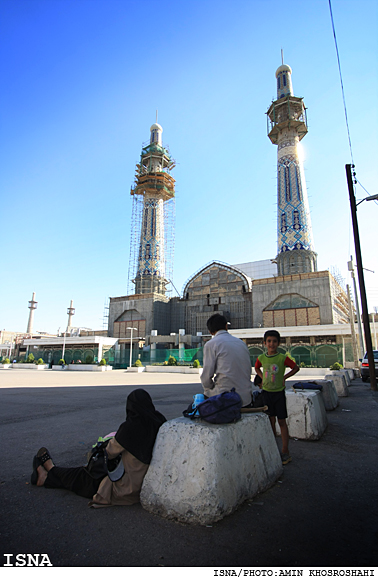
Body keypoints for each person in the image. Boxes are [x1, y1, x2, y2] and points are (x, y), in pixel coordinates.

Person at [31, 389, 166, 507]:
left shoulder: (130, 428)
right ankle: (50, 471)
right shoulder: (159, 423)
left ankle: (48, 474)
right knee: (81, 476)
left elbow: (110, 452)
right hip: (143, 485)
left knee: (81, 476)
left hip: (124, 489)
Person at [255, 330, 299, 465]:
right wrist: (263, 378)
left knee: (281, 421)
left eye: (274, 341)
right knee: (270, 420)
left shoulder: (282, 358)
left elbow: (295, 368)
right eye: (269, 341)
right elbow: (257, 368)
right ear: (264, 343)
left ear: (278, 343)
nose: (271, 344)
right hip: (266, 393)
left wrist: (284, 377)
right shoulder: (261, 358)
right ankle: (273, 448)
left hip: (278, 393)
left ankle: (285, 450)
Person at [200, 313, 252, 407]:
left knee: (203, 395)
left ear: (211, 332)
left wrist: (210, 388)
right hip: (246, 399)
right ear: (226, 326)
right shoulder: (241, 343)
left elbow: (206, 378)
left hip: (226, 398)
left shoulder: (211, 344)